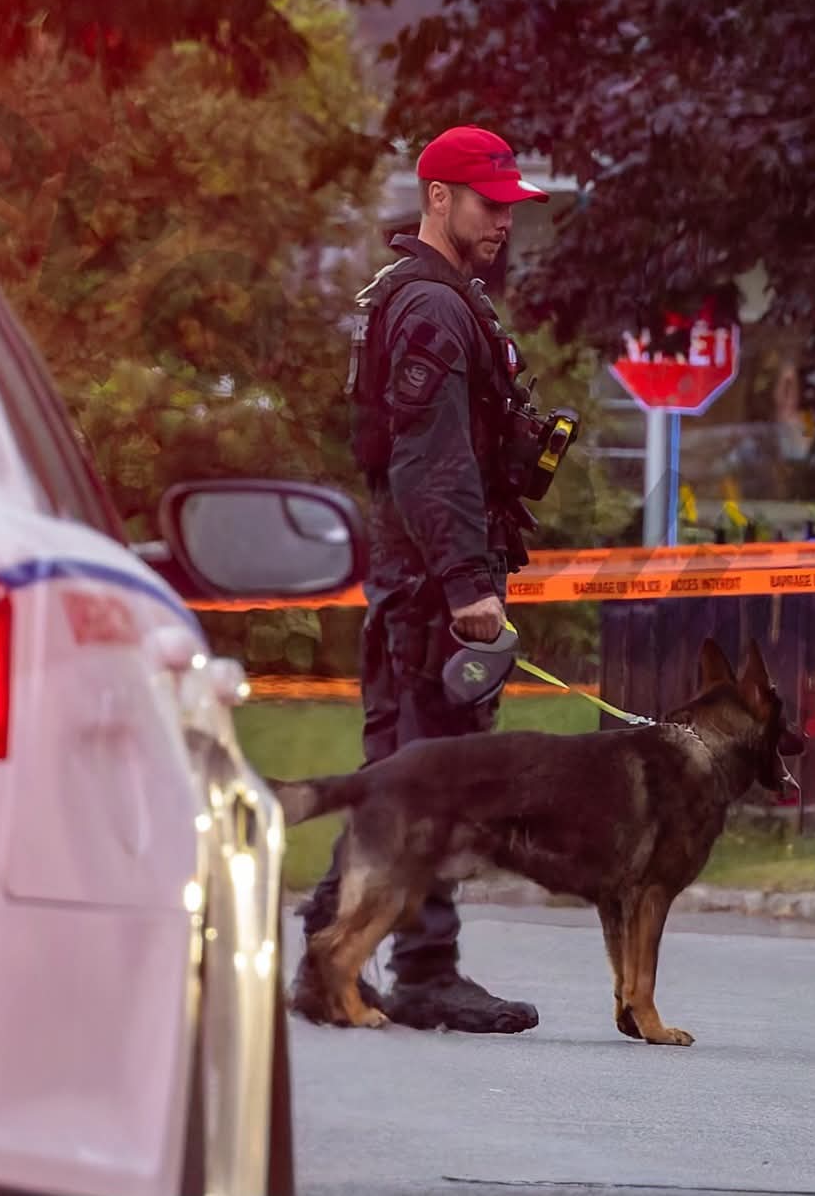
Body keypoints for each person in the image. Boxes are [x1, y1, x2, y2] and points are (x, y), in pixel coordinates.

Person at [292, 125, 550, 1034]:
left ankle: (327, 952)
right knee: (440, 779)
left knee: (395, 774)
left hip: (410, 577)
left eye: (510, 208)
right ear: (437, 197)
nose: (503, 223)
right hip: (430, 588)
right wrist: (468, 586)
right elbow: (430, 461)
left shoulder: (428, 298)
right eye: (489, 205)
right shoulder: (434, 310)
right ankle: (426, 969)